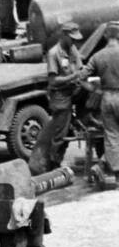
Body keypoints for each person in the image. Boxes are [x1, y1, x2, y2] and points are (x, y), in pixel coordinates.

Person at [29, 20, 83, 175]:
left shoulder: (72, 49)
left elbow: (80, 67)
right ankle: (53, 163)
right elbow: (53, 81)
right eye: (72, 38)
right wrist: (73, 77)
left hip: (73, 91)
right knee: (60, 133)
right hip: (60, 96)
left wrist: (82, 74)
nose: (74, 42)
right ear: (64, 35)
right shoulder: (54, 53)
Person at [80, 20, 119, 186]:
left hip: (107, 97)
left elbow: (81, 77)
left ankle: (114, 173)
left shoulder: (98, 56)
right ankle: (102, 164)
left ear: (105, 36)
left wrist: (95, 90)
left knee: (111, 136)